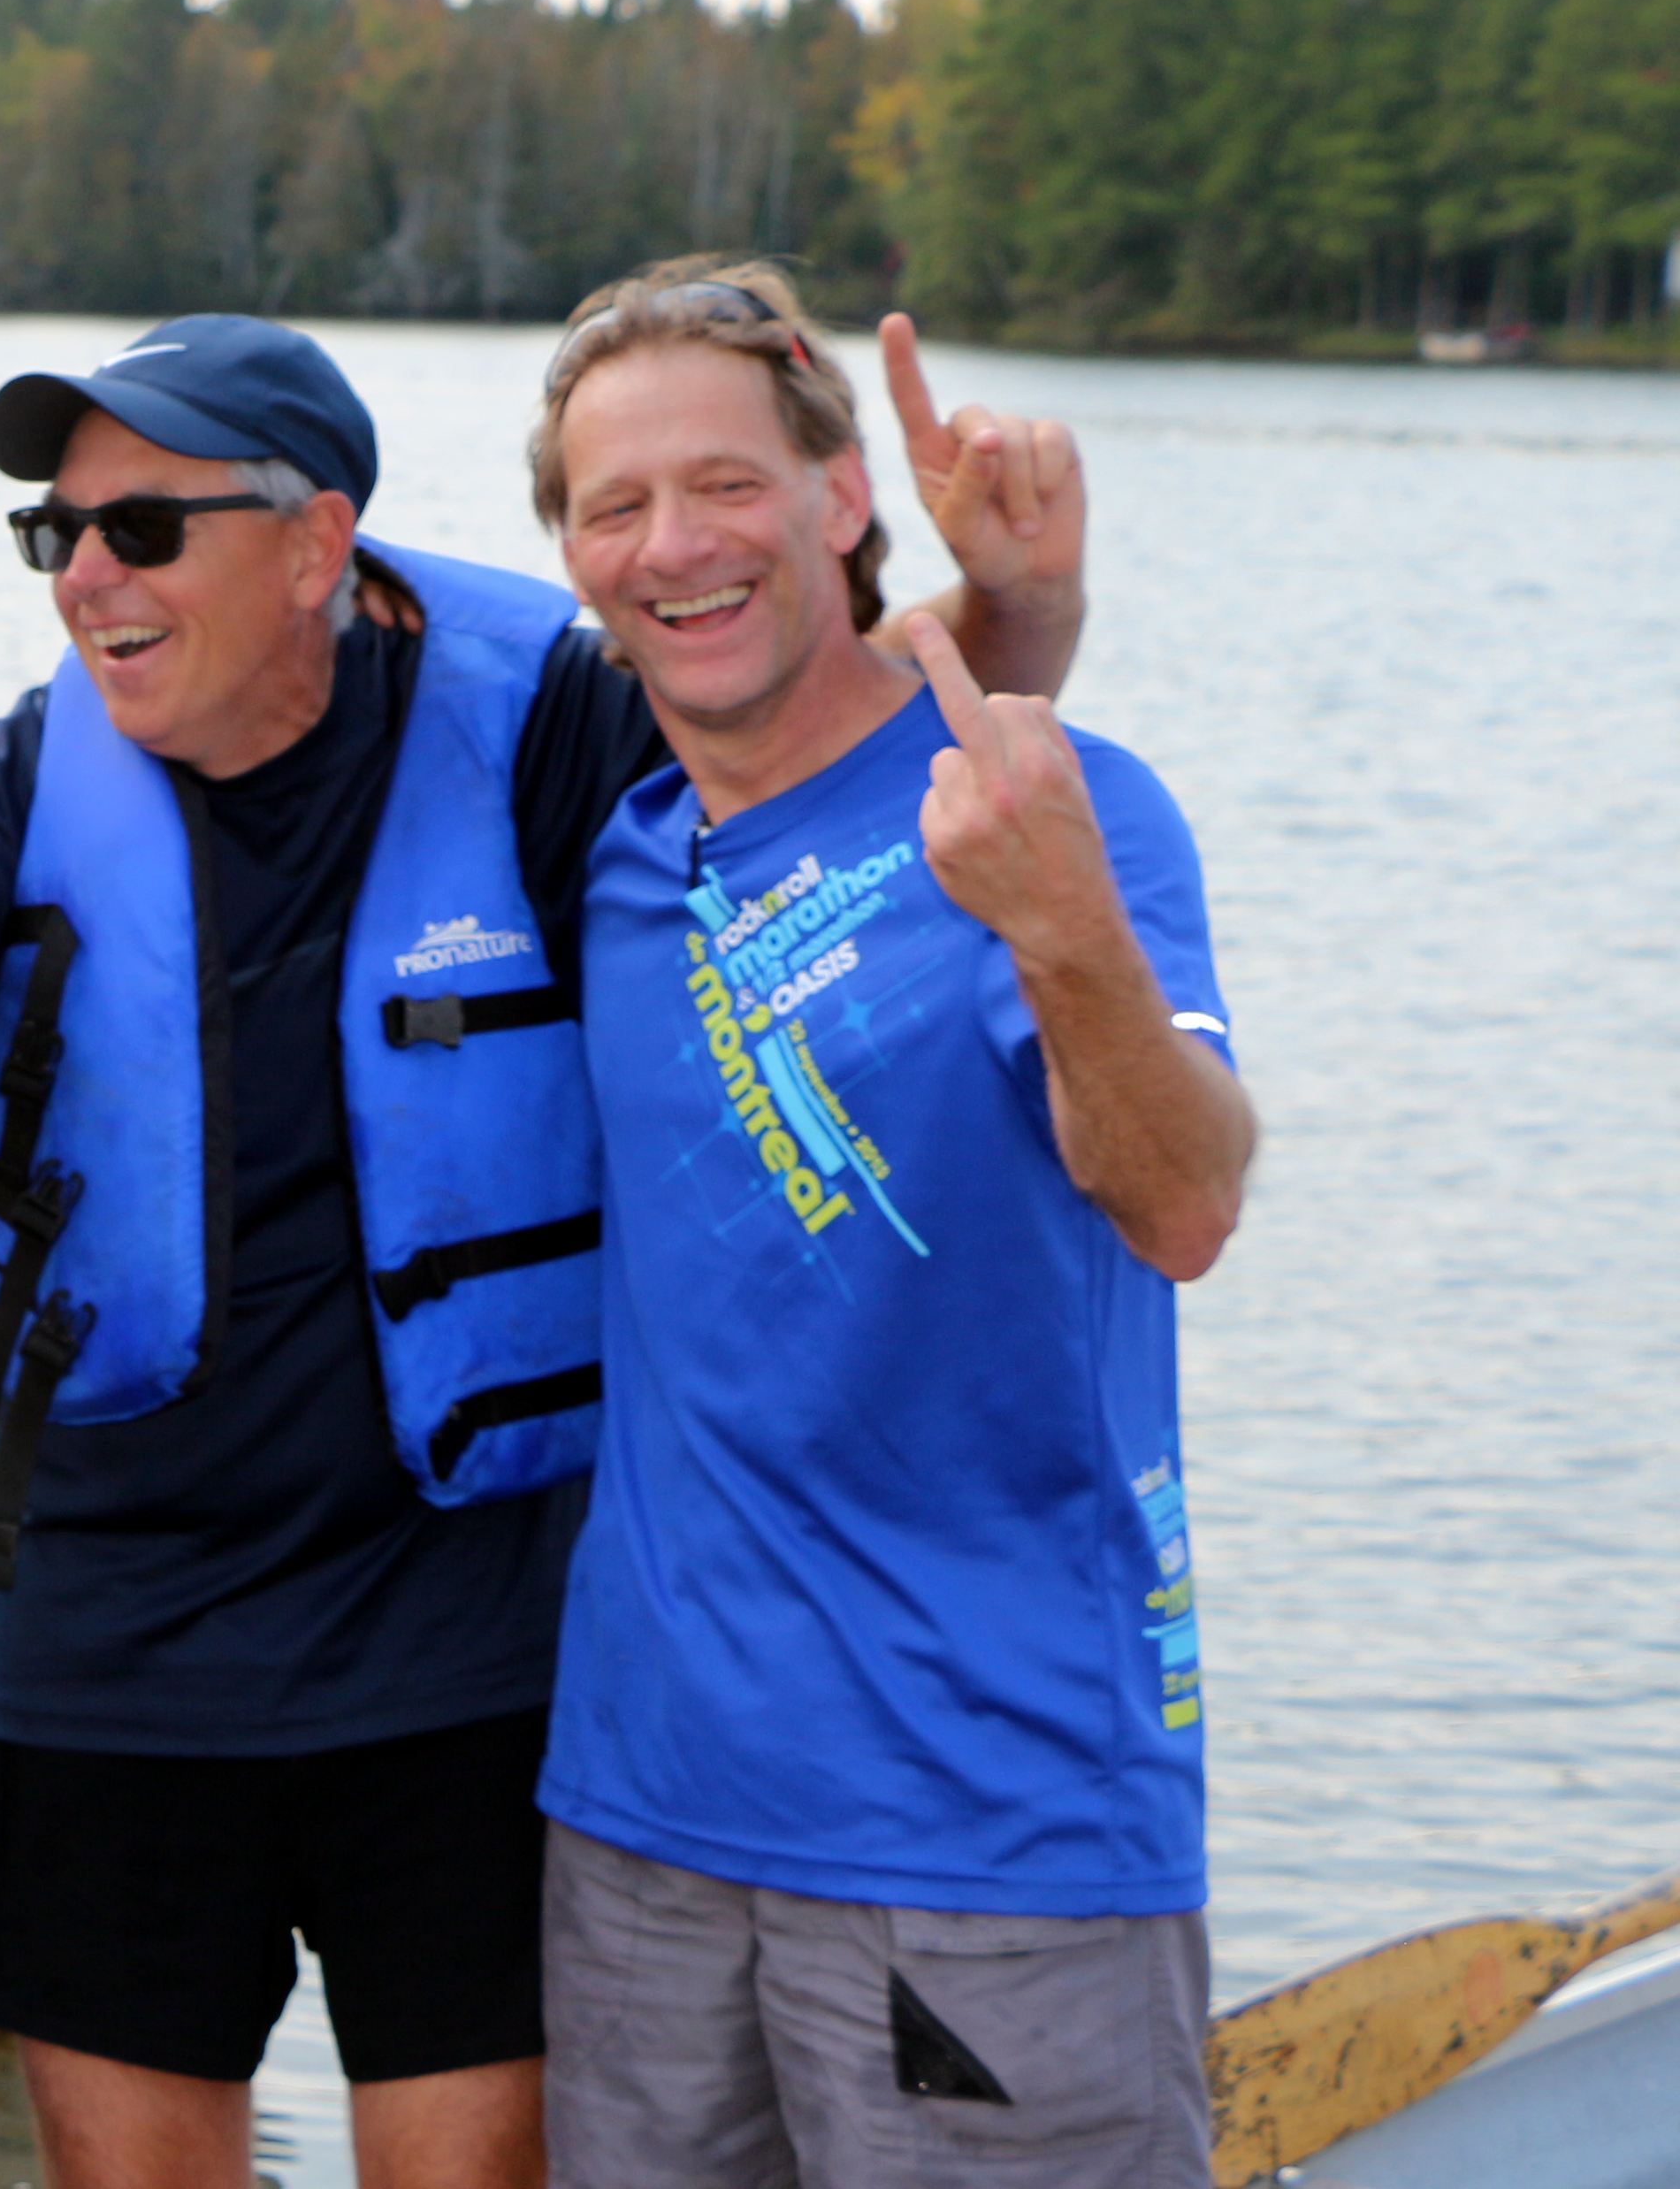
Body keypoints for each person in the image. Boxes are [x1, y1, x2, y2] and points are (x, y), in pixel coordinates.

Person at [0, 301, 1091, 2189]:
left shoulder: (545, 732)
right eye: (59, 533)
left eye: (146, 528)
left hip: (479, 1652)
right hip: (118, 1651)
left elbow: (853, 766)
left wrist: (1019, 609)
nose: (88, 576)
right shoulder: (13, 785)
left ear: (314, 545)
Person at [523, 263, 1249, 2189]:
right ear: (575, 559)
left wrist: (1061, 926)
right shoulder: (625, 861)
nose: (675, 546)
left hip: (992, 1835)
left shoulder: (1053, 808)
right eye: (615, 506)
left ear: (843, 498)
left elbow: (1185, 1201)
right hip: (644, 1832)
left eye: (727, 485)